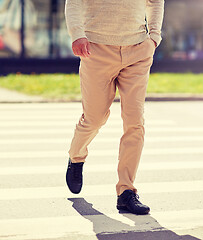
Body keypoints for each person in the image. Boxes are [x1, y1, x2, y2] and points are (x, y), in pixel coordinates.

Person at [64, 0, 164, 215]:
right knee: (94, 119)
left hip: (138, 50)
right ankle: (76, 156)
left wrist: (154, 37)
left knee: (135, 122)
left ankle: (126, 191)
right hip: (95, 49)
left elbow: (155, 2)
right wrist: (77, 34)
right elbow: (74, 2)